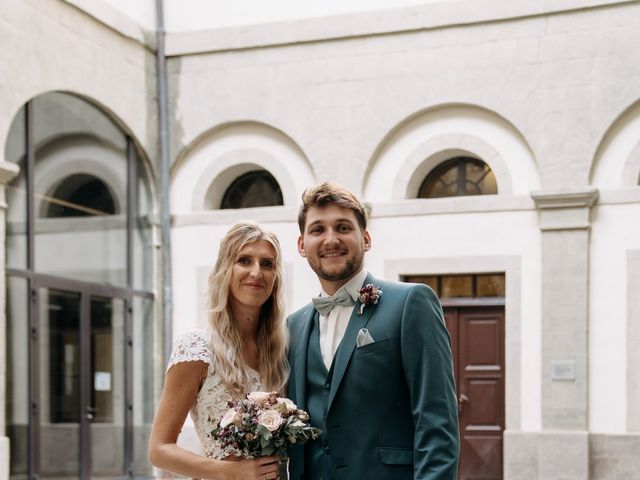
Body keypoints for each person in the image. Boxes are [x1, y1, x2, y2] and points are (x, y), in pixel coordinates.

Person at [287, 182, 459, 480]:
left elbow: (436, 421)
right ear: (302, 245)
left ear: (365, 239)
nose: (331, 239)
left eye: (343, 227)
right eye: (317, 230)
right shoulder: (295, 325)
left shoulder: (410, 303)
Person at [149, 221, 289, 480]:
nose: (256, 272)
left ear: (275, 278)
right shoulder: (197, 347)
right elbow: (159, 450)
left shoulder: (282, 352)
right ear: (225, 270)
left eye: (267, 264)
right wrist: (232, 472)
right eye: (244, 260)